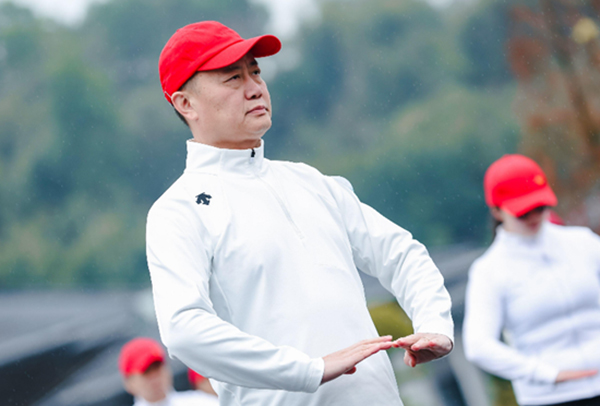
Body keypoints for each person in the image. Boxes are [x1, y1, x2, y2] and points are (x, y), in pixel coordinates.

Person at [146, 20, 454, 406]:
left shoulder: (310, 181)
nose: (255, 87)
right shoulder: (178, 211)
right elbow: (184, 329)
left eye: (256, 72)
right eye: (233, 78)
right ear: (185, 104)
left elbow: (402, 253)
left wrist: (434, 324)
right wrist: (308, 370)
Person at [463, 154, 600, 406]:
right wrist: (545, 374)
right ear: (497, 211)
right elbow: (478, 346)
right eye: (523, 212)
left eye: (540, 207)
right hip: (551, 398)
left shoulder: (583, 242)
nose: (534, 216)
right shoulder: (488, 271)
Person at [118, 337, 220, 406]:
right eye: (146, 373)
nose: (155, 377)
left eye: (157, 368)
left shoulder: (201, 402)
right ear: (129, 384)